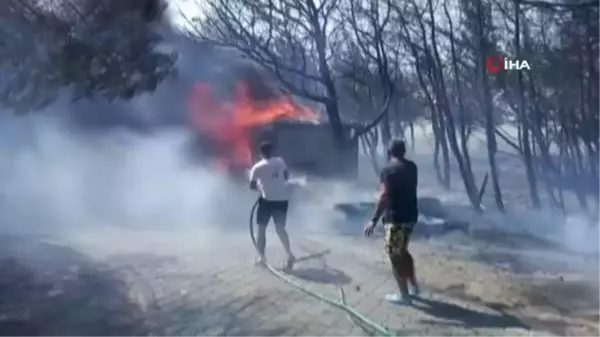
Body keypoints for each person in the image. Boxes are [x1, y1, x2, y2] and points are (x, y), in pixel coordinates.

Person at [364, 139, 420, 305]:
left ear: (389, 153)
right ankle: (414, 286)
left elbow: (384, 196)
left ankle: (404, 295)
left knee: (394, 255)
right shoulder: (412, 167)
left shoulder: (388, 171)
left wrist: (373, 220)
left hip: (396, 218)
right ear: (404, 151)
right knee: (403, 250)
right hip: (411, 215)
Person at [249, 141, 296, 270]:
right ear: (272, 151)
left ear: (261, 153)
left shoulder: (257, 167)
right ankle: (290, 254)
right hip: (282, 199)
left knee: (261, 228)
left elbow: (252, 186)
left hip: (267, 200)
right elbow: (286, 177)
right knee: (280, 228)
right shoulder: (280, 162)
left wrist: (261, 185)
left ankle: (262, 258)